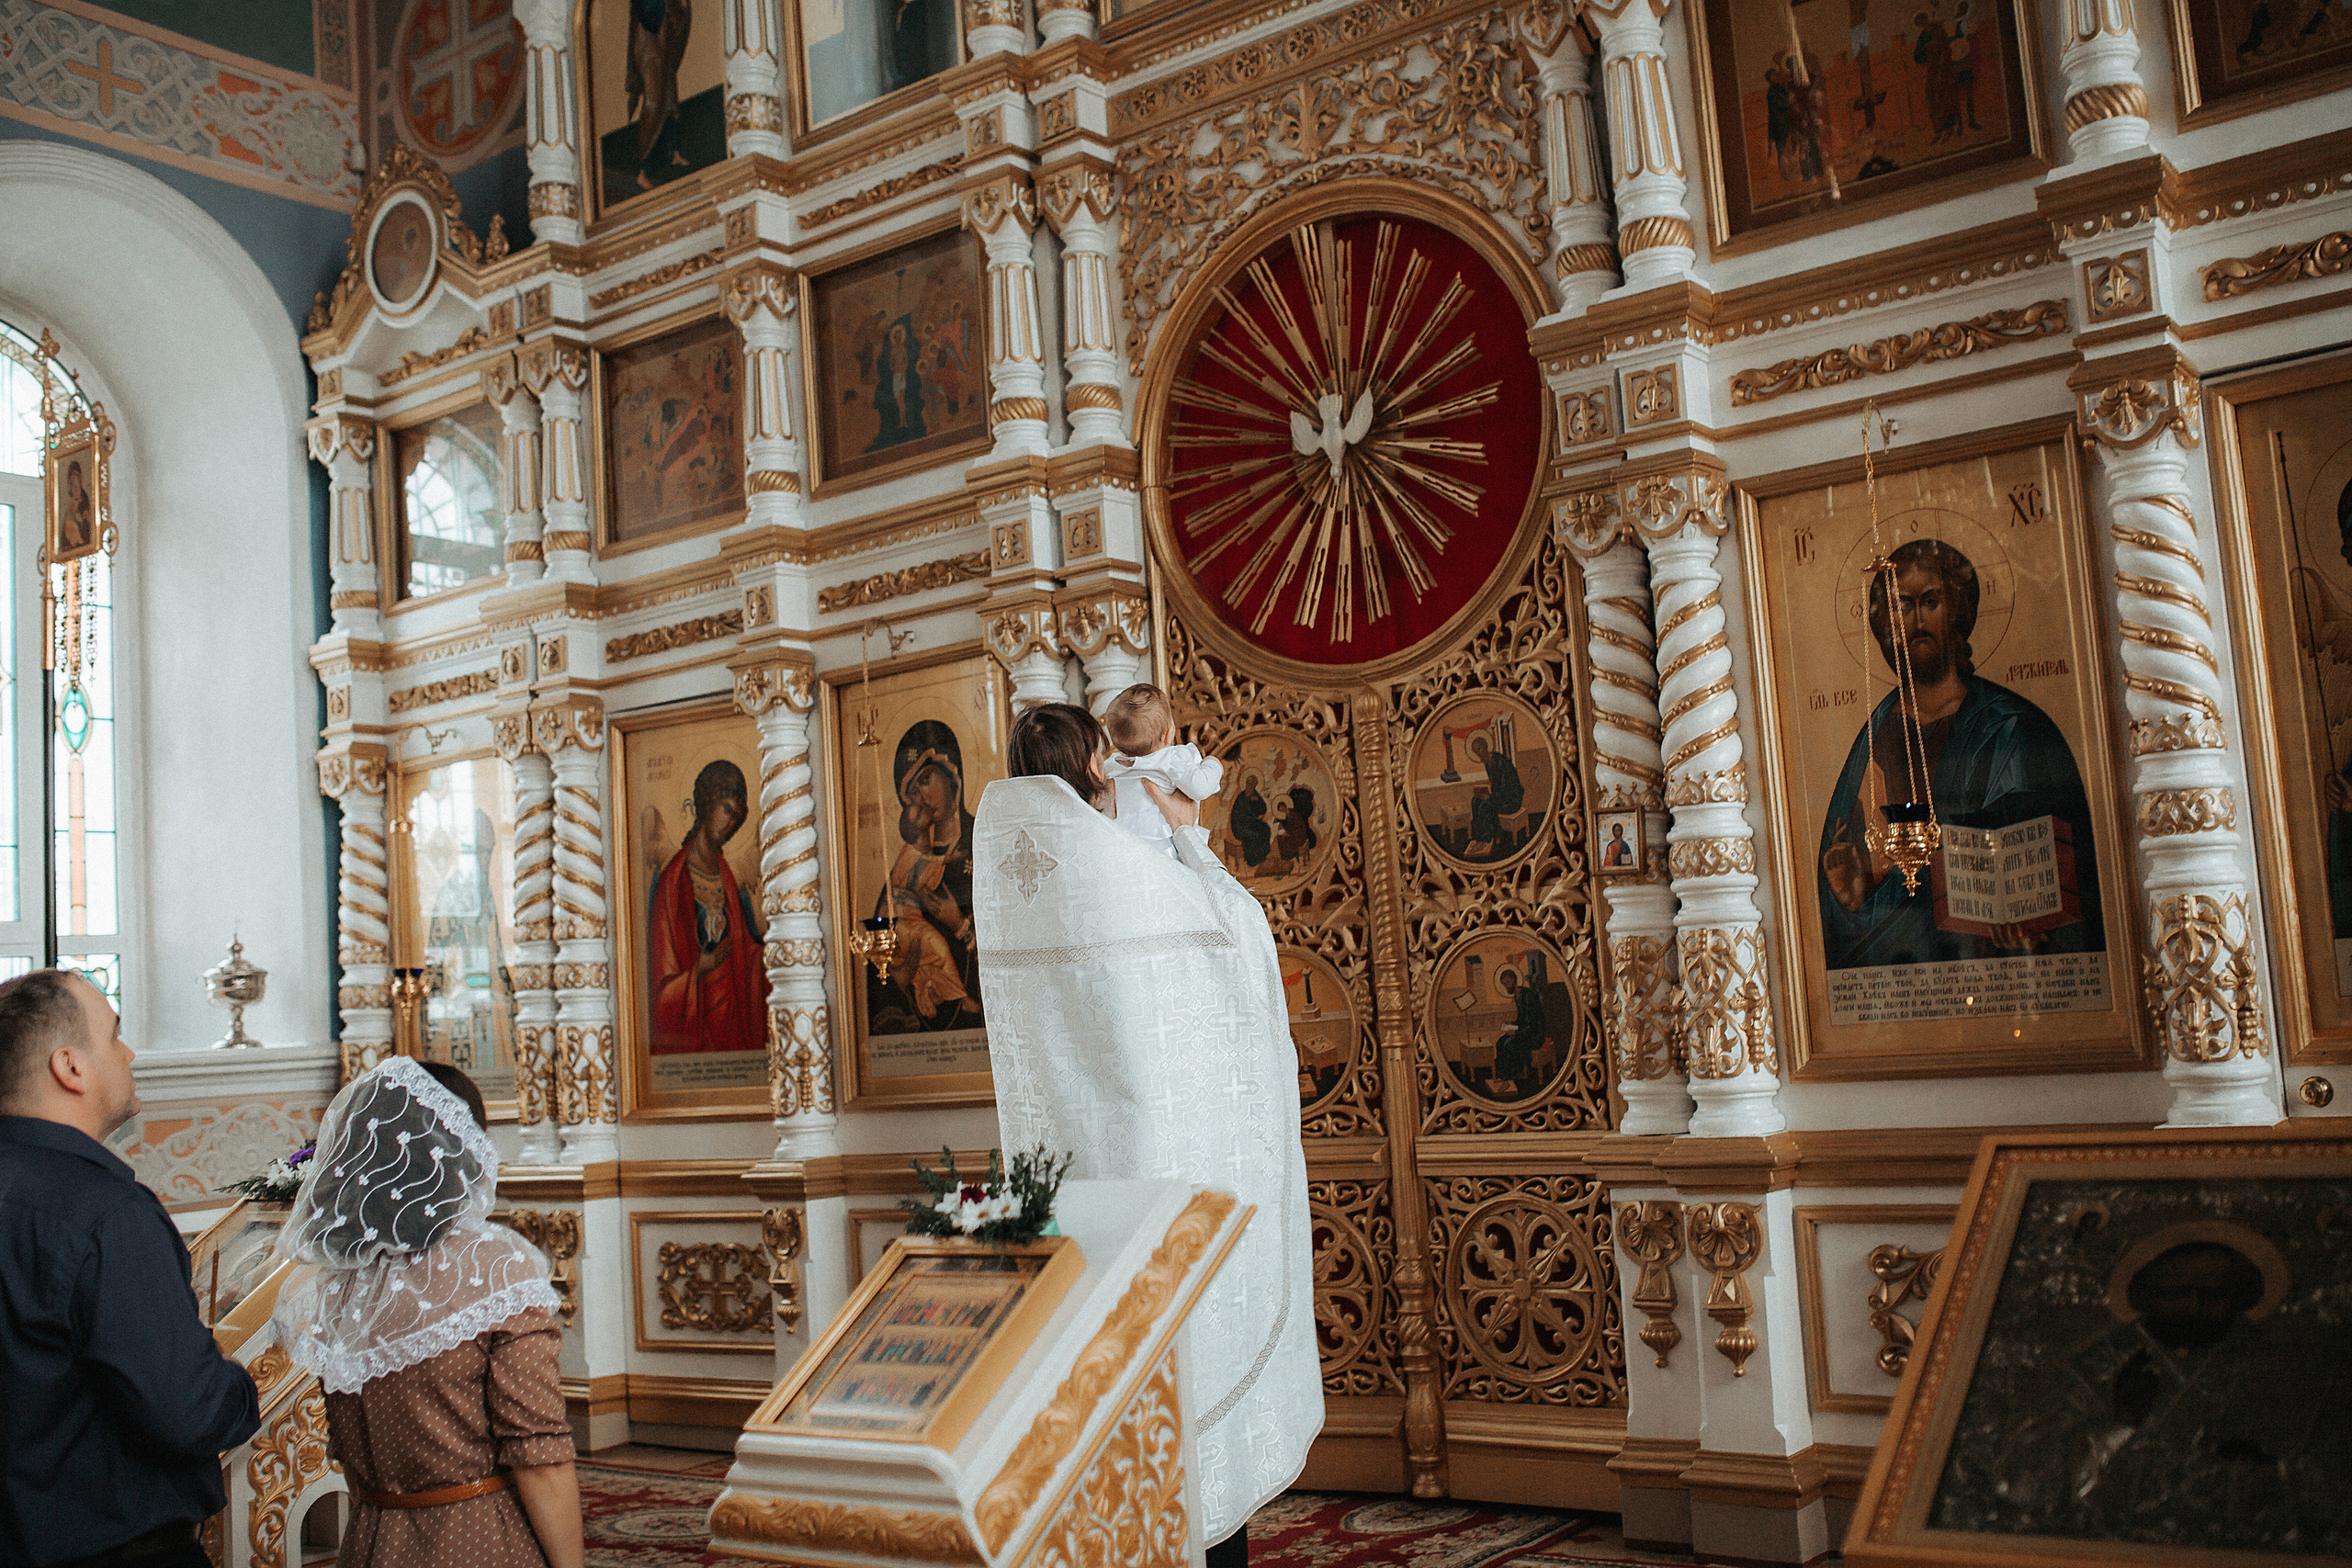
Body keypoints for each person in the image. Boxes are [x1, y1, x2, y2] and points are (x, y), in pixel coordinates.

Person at [974, 704, 1322, 1567]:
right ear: (1098, 769)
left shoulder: (1024, 882)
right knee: (1190, 1375)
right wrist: (1192, 840)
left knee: (1106, 1396)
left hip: (1083, 1195)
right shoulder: (1125, 873)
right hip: (1170, 1178)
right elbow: (1237, 942)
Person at [272, 1058, 581, 1568]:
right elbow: (538, 1454)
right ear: (462, 1148)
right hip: (477, 1537)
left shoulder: (335, 1283)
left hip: (370, 1537)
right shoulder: (495, 1270)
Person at [0, 969, 260, 1568]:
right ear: (70, 1067)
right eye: (114, 1035)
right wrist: (240, 1380)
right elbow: (186, 1410)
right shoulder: (104, 1213)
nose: (131, 1051)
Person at [1815, 537, 2102, 971]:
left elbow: (2056, 853)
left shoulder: (2010, 726)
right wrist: (1856, 898)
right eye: (1900, 607)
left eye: (1929, 602)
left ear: (1957, 614)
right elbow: (1854, 892)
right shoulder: (1874, 734)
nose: (1914, 620)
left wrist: (2027, 912)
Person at [650, 760, 769, 1055]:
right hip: (695, 1017)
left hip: (732, 1017)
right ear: (706, 804)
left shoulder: (727, 878)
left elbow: (745, 950)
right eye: (726, 810)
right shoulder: (673, 882)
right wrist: (698, 971)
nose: (730, 825)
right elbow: (660, 983)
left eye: (737, 818)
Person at [1100, 682, 1223, 861]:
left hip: (1126, 848)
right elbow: (1200, 787)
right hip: (1168, 847)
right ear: (1167, 734)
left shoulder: (1111, 767)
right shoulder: (1171, 760)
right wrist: (1213, 764)